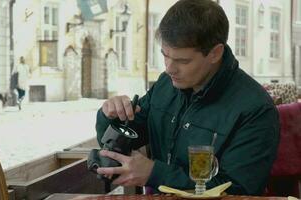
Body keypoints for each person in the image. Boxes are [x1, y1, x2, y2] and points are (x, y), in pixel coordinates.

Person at [95, 0, 279, 195]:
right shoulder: (167, 84)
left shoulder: (256, 109)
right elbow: (124, 140)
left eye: (183, 60)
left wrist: (155, 173)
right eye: (165, 55)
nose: (169, 68)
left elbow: (239, 190)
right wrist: (111, 115)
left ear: (215, 53)